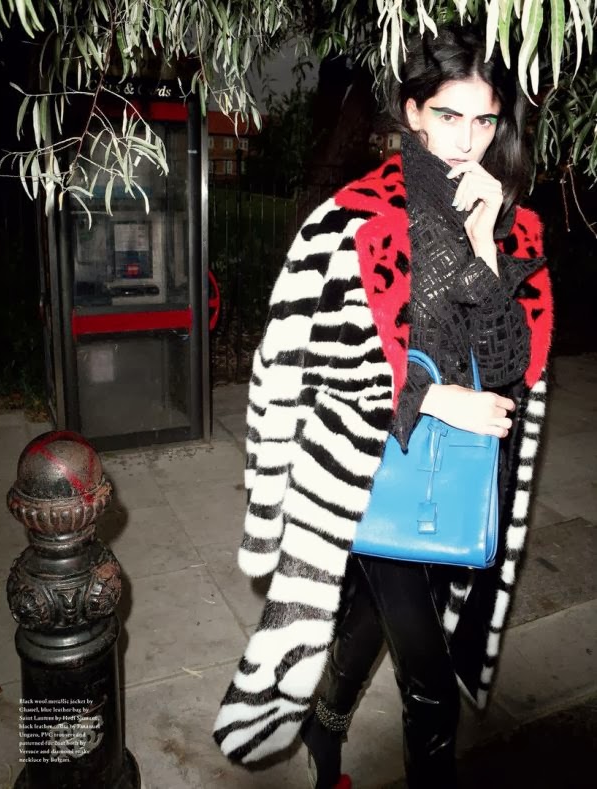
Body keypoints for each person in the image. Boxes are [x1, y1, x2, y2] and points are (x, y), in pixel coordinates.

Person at [213, 24, 553, 789]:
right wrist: (436, 401)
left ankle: (325, 724)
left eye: (483, 119)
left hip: (444, 479)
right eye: (449, 115)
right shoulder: (355, 220)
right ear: (412, 111)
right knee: (429, 681)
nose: (466, 139)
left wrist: (486, 245)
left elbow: (510, 365)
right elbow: (317, 367)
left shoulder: (504, 218)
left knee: (374, 611)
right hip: (366, 467)